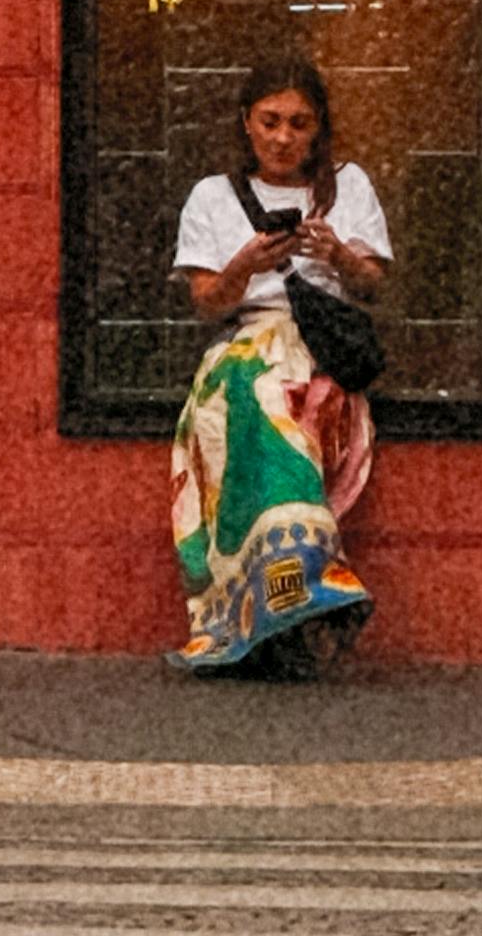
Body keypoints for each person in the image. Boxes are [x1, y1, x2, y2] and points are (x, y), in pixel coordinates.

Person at [167, 57, 391, 677]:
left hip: (322, 347)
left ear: (318, 130)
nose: (283, 137)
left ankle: (292, 598)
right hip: (247, 342)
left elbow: (373, 287)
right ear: (246, 124)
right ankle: (289, 599)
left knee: (283, 404)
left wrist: (339, 255)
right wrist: (245, 263)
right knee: (254, 399)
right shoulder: (212, 196)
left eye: (299, 123)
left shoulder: (350, 187)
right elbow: (207, 302)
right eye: (270, 122)